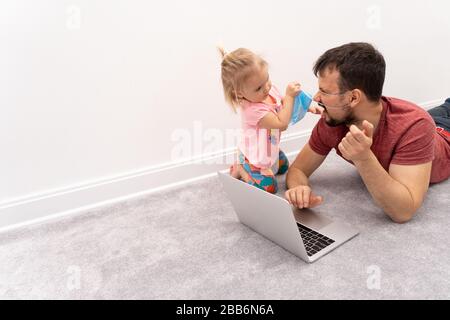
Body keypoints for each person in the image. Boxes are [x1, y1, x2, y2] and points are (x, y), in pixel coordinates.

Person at [284, 42, 450, 223]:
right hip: (434, 119)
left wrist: (363, 158)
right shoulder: (333, 120)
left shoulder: (414, 126)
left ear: (353, 97)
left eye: (324, 91)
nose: (316, 98)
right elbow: (298, 169)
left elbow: (403, 211)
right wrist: (299, 187)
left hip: (444, 134)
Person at [218, 47, 320, 193]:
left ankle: (256, 164)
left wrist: (306, 106)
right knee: (269, 189)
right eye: (259, 88)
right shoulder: (252, 110)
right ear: (239, 93)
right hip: (254, 155)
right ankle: (242, 168)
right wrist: (290, 96)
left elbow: (281, 103)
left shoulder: (268, 91)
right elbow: (281, 124)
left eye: (267, 79)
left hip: (268, 147)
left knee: (283, 167)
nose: (266, 88)